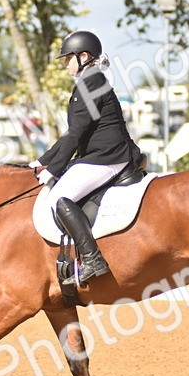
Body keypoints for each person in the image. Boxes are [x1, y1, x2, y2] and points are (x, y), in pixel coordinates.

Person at [29, 31, 143, 285]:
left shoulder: (91, 82)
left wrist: (52, 169)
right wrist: (40, 162)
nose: (64, 63)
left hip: (107, 156)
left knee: (59, 198)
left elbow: (76, 132)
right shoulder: (90, 80)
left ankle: (92, 259)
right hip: (102, 154)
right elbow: (72, 133)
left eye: (68, 58)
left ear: (83, 56)